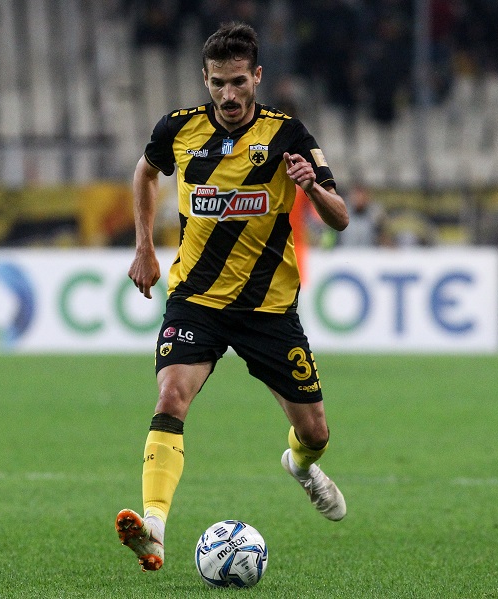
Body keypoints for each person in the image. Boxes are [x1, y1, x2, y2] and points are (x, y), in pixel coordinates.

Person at [116, 21, 349, 572]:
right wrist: (144, 248)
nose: (228, 94)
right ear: (206, 79)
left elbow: (340, 217)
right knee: (170, 398)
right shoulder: (177, 128)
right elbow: (144, 174)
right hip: (196, 301)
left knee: (315, 432)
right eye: (218, 82)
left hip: (268, 309)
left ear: (256, 77)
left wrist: (310, 186)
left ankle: (300, 466)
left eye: (238, 82)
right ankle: (154, 527)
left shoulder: (288, 135)